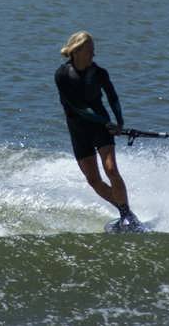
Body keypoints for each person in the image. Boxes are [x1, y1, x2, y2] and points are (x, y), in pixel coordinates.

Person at [55, 31, 140, 228]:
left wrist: (119, 123)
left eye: (93, 51)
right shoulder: (62, 75)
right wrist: (105, 121)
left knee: (111, 169)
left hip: (101, 128)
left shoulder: (100, 73)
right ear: (77, 51)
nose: (93, 54)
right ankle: (125, 212)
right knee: (93, 180)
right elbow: (77, 106)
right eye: (90, 51)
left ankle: (127, 217)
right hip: (78, 130)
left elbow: (113, 98)